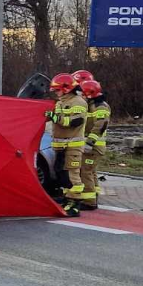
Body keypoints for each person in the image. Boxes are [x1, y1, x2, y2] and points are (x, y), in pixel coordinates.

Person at [46, 72, 87, 215]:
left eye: (57, 90)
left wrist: (56, 118)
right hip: (61, 146)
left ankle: (74, 204)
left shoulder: (78, 102)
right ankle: (66, 199)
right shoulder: (60, 102)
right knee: (62, 175)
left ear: (66, 88)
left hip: (72, 146)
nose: (56, 93)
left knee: (72, 175)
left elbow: (76, 122)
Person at [77, 79, 110, 208]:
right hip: (95, 147)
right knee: (91, 172)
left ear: (89, 94)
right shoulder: (93, 105)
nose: (81, 96)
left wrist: (89, 143)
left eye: (82, 94)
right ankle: (94, 195)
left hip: (94, 147)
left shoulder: (100, 106)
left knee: (85, 172)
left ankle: (89, 202)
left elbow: (100, 125)